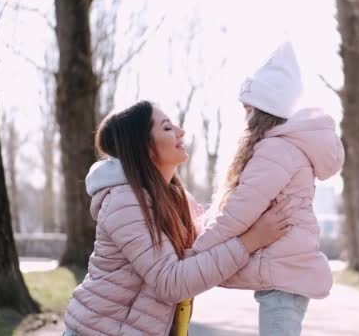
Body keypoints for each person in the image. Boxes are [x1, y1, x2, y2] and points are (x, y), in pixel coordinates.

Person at [62, 102, 292, 336]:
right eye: (167, 128)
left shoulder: (179, 200)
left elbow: (204, 250)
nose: (180, 131)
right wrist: (250, 241)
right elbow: (171, 282)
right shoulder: (125, 203)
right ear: (144, 146)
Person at [192, 42, 345, 335]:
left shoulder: (276, 150)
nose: (244, 115)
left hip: (283, 279)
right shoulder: (285, 147)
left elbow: (239, 213)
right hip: (285, 277)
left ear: (262, 110)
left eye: (247, 108)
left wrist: (196, 252)